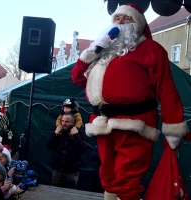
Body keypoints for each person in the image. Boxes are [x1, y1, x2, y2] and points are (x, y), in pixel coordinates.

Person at [71, 3, 188, 200]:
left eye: (127, 18)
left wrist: (173, 125)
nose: (121, 22)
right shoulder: (104, 52)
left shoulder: (151, 49)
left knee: (127, 182)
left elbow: (166, 88)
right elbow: (78, 78)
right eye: (117, 18)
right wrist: (93, 51)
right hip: (103, 124)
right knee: (108, 177)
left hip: (135, 124)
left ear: (138, 25)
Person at [47, 113, 87, 189]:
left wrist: (75, 135)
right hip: (57, 170)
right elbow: (49, 146)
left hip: (71, 172)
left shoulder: (80, 132)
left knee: (70, 194)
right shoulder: (59, 130)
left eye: (67, 122)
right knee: (54, 193)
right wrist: (55, 134)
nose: (64, 124)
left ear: (73, 122)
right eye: (62, 121)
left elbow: (82, 149)